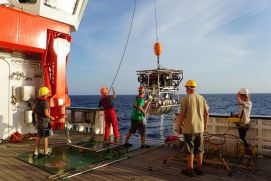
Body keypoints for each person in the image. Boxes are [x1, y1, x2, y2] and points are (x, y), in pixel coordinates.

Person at [179, 80, 209, 177]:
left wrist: (179, 127)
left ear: (187, 88)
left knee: (189, 150)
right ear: (194, 88)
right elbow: (206, 113)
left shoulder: (185, 99)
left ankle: (190, 170)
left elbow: (182, 115)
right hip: (200, 128)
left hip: (189, 129)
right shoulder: (201, 98)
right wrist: (205, 125)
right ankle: (199, 169)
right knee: (200, 149)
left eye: (186, 88)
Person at [33, 86, 55, 158]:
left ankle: (35, 152)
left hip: (39, 121)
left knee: (39, 136)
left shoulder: (37, 101)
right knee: (45, 137)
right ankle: (45, 153)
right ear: (45, 94)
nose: (49, 93)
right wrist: (52, 118)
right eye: (48, 92)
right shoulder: (45, 102)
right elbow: (46, 113)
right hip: (44, 122)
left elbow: (34, 110)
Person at [236, 88, 252, 155]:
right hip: (241, 123)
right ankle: (246, 152)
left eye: (241, 96)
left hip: (245, 123)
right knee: (241, 138)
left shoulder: (248, 103)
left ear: (244, 96)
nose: (241, 97)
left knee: (242, 138)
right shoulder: (245, 103)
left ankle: (248, 151)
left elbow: (239, 103)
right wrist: (237, 115)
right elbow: (243, 112)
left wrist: (237, 96)